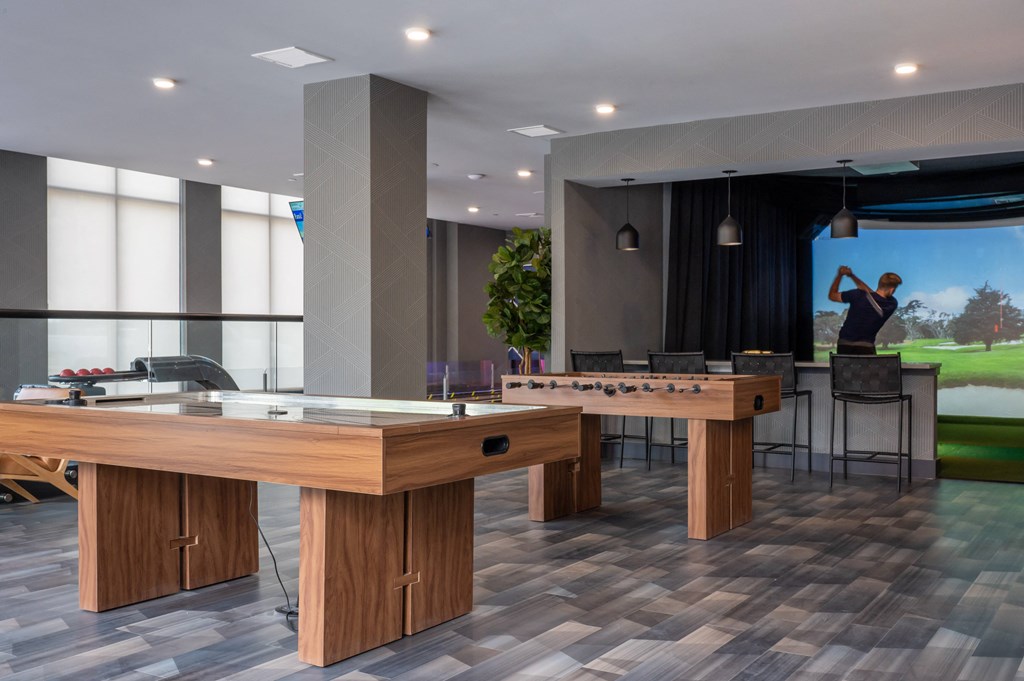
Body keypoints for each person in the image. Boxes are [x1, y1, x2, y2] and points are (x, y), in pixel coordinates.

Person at [828, 266, 902, 355]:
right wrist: (852, 276)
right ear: (892, 290)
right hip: (866, 347)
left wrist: (840, 275)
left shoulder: (857, 294)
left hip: (844, 345)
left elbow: (832, 295)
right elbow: (869, 293)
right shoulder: (891, 304)